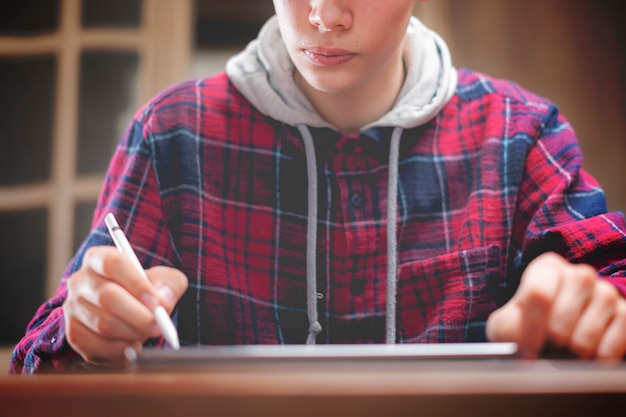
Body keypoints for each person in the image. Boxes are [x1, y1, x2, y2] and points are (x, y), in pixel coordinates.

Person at [10, 0, 626, 374]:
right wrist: (83, 332)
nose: (325, 16)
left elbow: (614, 282)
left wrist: (597, 309)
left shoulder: (520, 134)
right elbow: (39, 359)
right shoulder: (172, 135)